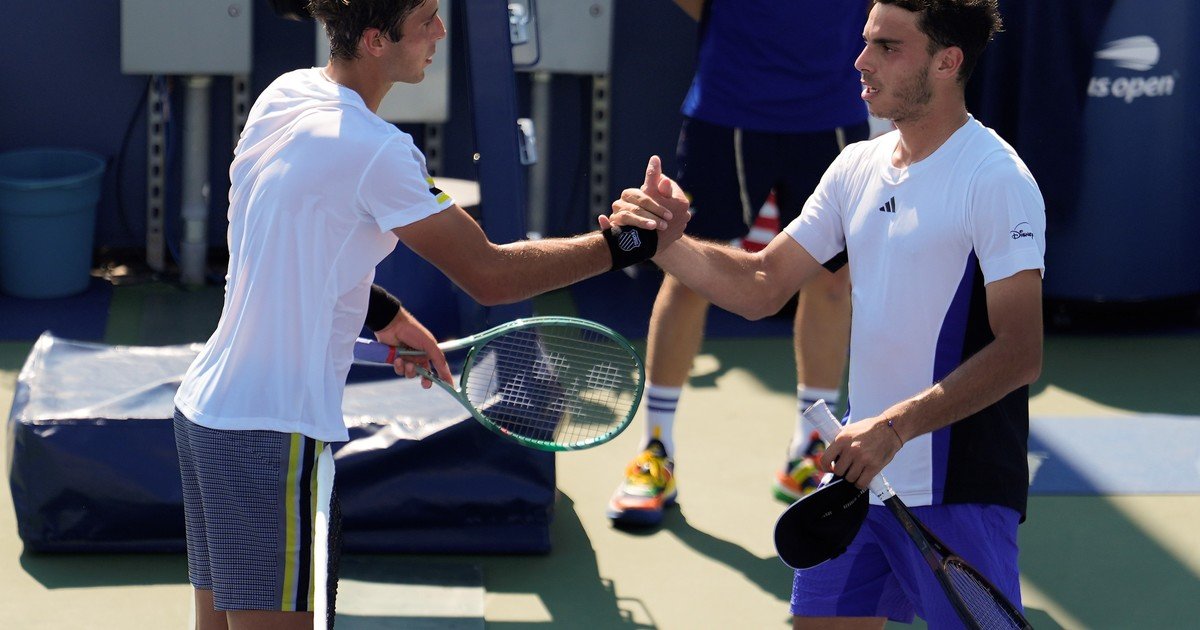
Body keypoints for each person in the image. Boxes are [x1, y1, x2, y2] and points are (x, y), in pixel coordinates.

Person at [170, 1, 686, 628]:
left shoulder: (286, 95)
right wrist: (629, 243)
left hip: (204, 414)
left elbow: (288, 242)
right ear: (375, 40)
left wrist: (381, 311)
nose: (440, 32)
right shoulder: (380, 152)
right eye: (425, 20)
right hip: (272, 436)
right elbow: (491, 275)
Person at [607, 0, 1045, 625]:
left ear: (948, 62)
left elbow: (1020, 351)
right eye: (865, 42)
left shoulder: (996, 180)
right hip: (861, 483)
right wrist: (666, 243)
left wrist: (893, 428)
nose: (860, 62)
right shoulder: (856, 167)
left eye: (888, 48)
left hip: (958, 489)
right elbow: (762, 282)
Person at [606, 0, 872, 528]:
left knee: (833, 279)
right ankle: (655, 449)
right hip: (727, 109)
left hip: (833, 114)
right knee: (688, 270)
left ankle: (811, 450)